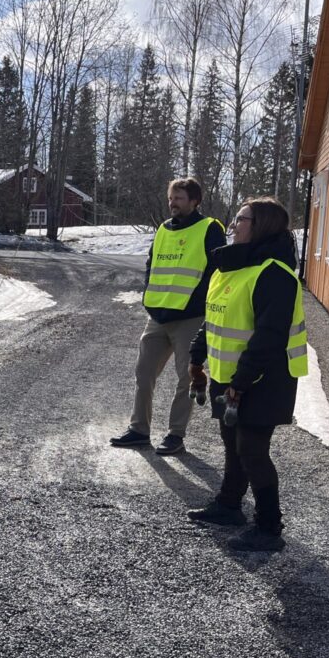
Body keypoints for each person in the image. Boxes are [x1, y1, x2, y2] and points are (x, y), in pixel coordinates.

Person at [186, 197, 307, 553]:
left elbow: (268, 337)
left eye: (241, 219)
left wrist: (241, 382)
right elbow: (214, 319)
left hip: (264, 379)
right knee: (232, 444)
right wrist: (197, 355)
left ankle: (269, 528)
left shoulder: (275, 274)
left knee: (252, 450)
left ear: (262, 225)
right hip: (231, 375)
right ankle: (228, 506)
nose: (233, 224)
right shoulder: (229, 267)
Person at [111, 177, 225, 456]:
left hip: (191, 317)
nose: (173, 203)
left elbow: (216, 271)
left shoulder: (210, 228)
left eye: (179, 198)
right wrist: (149, 295)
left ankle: (176, 435)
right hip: (159, 315)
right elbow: (152, 264)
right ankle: (139, 430)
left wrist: (198, 304)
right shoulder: (163, 229)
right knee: (144, 372)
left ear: (195, 201)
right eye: (171, 198)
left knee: (186, 377)